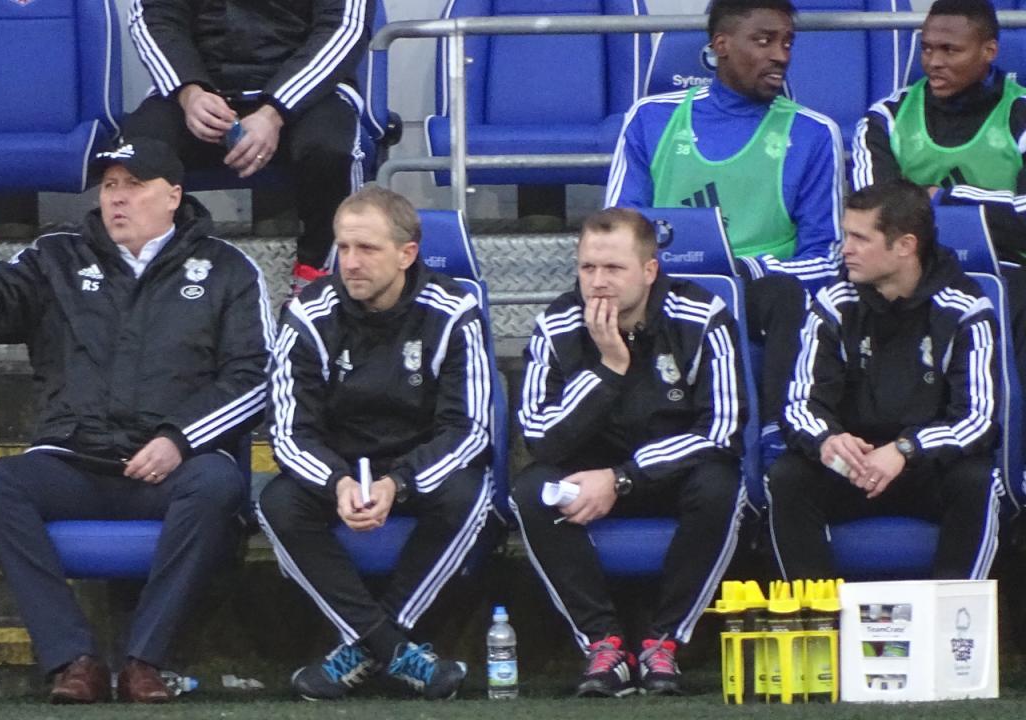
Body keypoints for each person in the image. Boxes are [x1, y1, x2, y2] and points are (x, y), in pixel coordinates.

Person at [0, 139, 273, 704]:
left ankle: (145, 661)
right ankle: (73, 659)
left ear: (173, 196)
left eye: (133, 186)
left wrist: (179, 440)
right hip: (73, 461)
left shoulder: (229, 269)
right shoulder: (55, 257)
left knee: (219, 483)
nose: (117, 199)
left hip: (168, 471)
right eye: (110, 186)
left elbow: (254, 377)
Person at [257, 186, 492, 701]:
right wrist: (337, 481)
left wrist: (399, 483)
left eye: (367, 249)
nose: (351, 263)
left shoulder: (454, 311)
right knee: (276, 501)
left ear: (407, 254)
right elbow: (289, 431)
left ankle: (364, 649)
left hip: (416, 467)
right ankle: (394, 649)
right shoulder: (307, 314)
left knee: (471, 494)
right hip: (337, 468)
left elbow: (469, 430)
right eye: (343, 248)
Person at [513, 208, 748, 698]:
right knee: (531, 488)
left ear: (649, 270)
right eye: (587, 268)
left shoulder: (701, 315)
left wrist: (624, 477)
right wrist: (608, 369)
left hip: (666, 478)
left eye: (613, 269)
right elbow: (538, 436)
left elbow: (723, 430)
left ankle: (663, 643)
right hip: (584, 480)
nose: (597, 283)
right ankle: (605, 645)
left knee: (721, 482)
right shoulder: (556, 324)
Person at [605, 0, 844, 456]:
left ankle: (779, 432)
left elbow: (826, 258)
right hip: (669, 290)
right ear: (721, 46)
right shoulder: (650, 119)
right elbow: (617, 230)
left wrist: (747, 269)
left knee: (785, 296)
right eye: (764, 40)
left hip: (761, 296)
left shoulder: (814, 133)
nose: (781, 54)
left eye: (787, 42)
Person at [769, 180, 1001, 581]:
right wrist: (827, 440)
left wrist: (906, 448)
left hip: (926, 465)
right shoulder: (833, 304)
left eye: (860, 238)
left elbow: (977, 420)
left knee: (977, 480)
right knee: (788, 476)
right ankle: (821, 621)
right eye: (846, 235)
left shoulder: (965, 309)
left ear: (905, 246)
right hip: (851, 464)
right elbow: (801, 405)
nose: (845, 249)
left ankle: (953, 622)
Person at [123, 0, 372, 296]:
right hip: (202, 91)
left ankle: (320, 283)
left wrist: (276, 110)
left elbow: (345, 28)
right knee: (138, 153)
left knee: (331, 153)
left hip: (309, 92)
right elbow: (155, 16)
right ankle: (150, 282)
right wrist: (189, 92)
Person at [851, 0, 1026, 394]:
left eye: (950, 50)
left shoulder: (1021, 113)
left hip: (1011, 271)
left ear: (989, 52)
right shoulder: (885, 118)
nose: (933, 62)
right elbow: (875, 220)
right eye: (928, 48)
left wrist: (945, 198)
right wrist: (995, 207)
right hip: (912, 269)